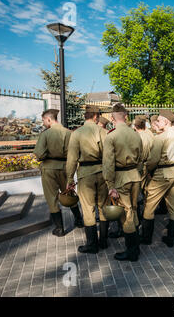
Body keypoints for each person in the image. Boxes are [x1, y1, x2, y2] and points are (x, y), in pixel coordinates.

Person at [33, 109, 83, 237]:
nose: (43, 123)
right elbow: (74, 152)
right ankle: (79, 220)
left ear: (49, 119)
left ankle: (60, 228)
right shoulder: (69, 133)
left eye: (44, 120)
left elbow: (39, 153)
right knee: (69, 193)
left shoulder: (45, 134)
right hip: (65, 167)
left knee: (52, 198)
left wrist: (42, 157)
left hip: (49, 168)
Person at [103, 104, 143, 261]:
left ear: (112, 118)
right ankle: (135, 246)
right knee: (133, 209)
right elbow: (141, 157)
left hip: (120, 178)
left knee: (126, 215)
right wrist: (137, 172)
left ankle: (132, 251)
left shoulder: (111, 136)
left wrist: (110, 185)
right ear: (125, 116)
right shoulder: (135, 134)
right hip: (135, 176)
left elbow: (108, 163)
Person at [66, 106, 108, 254]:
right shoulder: (104, 132)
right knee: (103, 206)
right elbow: (110, 156)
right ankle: (103, 241)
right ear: (96, 117)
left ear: (86, 116)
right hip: (103, 173)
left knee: (88, 209)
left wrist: (70, 178)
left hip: (85, 174)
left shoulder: (77, 133)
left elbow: (72, 159)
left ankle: (92, 244)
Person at [140, 110, 174, 248]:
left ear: (166, 121)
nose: (156, 122)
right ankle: (170, 237)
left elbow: (153, 160)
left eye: (158, 120)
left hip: (162, 173)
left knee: (149, 205)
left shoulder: (160, 138)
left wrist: (147, 171)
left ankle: (146, 238)